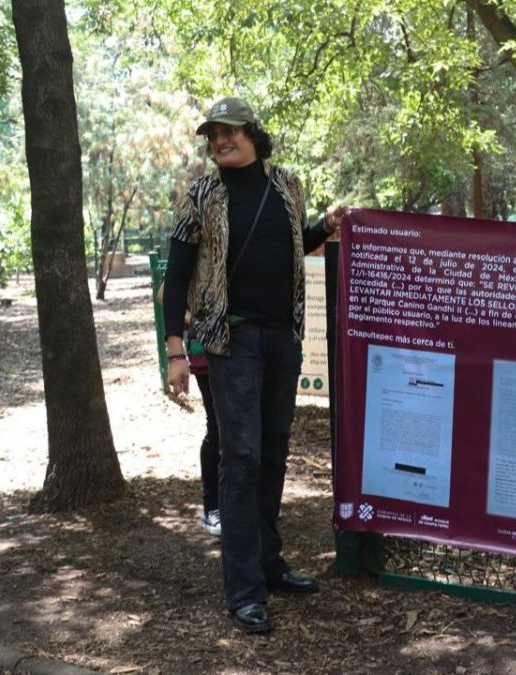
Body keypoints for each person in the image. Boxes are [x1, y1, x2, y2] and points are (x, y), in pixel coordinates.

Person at [162, 96, 349, 634]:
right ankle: (242, 590)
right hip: (230, 340)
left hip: (283, 339)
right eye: (213, 135)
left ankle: (269, 566)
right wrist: (177, 350)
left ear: (253, 134)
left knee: (271, 453)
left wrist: (324, 227)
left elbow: (294, 248)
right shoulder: (201, 194)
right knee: (240, 459)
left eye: (230, 132)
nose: (220, 141)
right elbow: (177, 274)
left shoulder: (286, 185)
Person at [157, 283, 222, 536]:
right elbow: (165, 292)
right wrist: (193, 319)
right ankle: (212, 508)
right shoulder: (199, 246)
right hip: (207, 351)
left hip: (246, 350)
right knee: (217, 426)